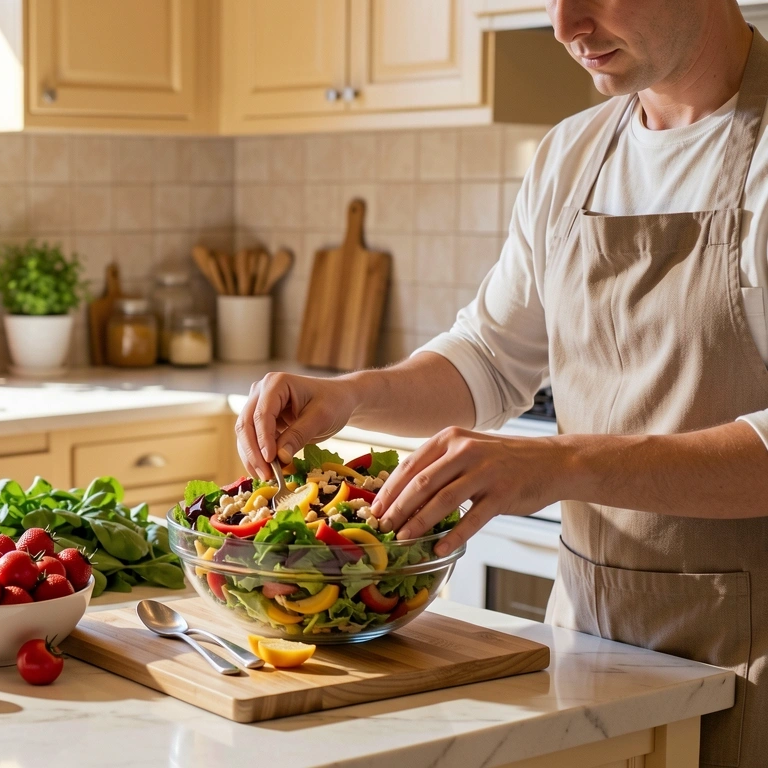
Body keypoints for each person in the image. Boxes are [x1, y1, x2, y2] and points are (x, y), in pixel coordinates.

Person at [237, 1, 768, 763]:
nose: (565, 24)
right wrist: (353, 393)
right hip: (591, 648)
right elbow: (490, 357)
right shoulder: (572, 155)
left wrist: (559, 465)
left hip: (751, 653)